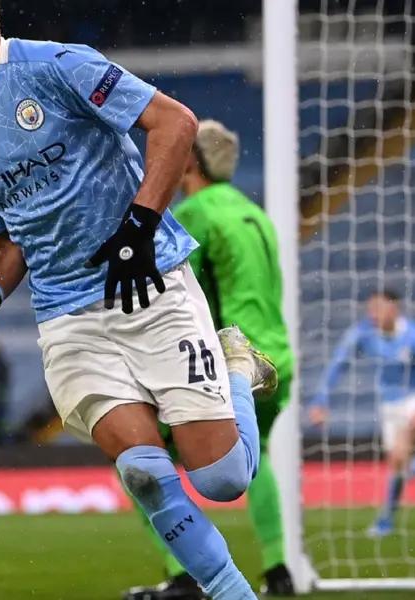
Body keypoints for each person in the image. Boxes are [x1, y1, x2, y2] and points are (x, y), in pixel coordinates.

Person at [0, 2, 277, 598]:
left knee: (222, 479)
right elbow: (6, 238)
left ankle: (235, 365)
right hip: (67, 318)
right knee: (143, 472)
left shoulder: (57, 66)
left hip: (151, 283)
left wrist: (137, 227)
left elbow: (176, 123)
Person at [124, 120, 296, 599]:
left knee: (140, 455)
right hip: (276, 353)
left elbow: (178, 294)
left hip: (228, 356)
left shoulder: (194, 213)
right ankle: (280, 569)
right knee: (252, 455)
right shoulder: (253, 212)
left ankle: (183, 576)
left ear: (191, 161)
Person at [309, 289, 415, 537]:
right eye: (371, 309)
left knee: (399, 455)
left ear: (394, 309)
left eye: (379, 308)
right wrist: (320, 400)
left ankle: (384, 521)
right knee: (399, 467)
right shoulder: (364, 333)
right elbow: (339, 363)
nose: (373, 314)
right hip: (389, 407)